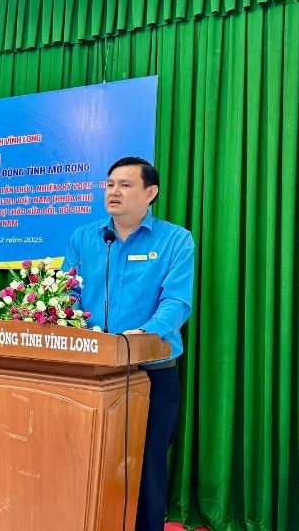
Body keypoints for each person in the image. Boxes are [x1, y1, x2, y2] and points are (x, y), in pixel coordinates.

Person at [63, 156, 194, 531]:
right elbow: (68, 294)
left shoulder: (176, 240)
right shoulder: (84, 238)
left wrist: (144, 334)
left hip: (151, 373)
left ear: (150, 193)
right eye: (110, 184)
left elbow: (176, 302)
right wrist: (76, 326)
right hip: (92, 369)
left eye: (125, 184)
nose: (114, 191)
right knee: (90, 458)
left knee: (147, 463)